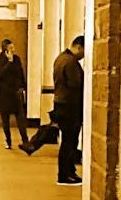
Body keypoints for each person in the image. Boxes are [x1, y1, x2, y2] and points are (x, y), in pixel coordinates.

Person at [24, 35, 84, 185]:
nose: (84, 55)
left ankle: (69, 172)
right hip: (70, 106)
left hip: (61, 104)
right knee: (69, 142)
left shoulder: (60, 58)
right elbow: (76, 84)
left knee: (66, 140)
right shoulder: (71, 62)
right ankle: (65, 174)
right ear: (79, 47)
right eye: (84, 51)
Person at [0, 37, 30, 149]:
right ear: (5, 49)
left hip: (15, 93)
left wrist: (23, 86)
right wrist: (9, 62)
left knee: (20, 118)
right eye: (11, 47)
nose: (13, 49)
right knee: (5, 120)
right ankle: (8, 140)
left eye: (13, 47)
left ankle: (25, 140)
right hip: (4, 94)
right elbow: (1, 73)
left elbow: (21, 73)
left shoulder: (17, 59)